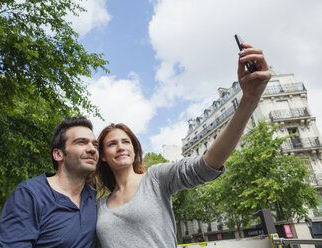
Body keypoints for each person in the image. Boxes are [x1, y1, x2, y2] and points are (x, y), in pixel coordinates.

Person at [94, 43, 272, 248]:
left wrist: (249, 99)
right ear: (103, 156)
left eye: (126, 141)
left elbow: (206, 165)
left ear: (135, 151)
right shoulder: (99, 206)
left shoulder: (156, 178)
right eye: (112, 144)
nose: (121, 147)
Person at [0, 117, 99, 248]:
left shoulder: (93, 193)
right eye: (81, 142)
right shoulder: (29, 195)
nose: (92, 149)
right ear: (58, 154)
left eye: (95, 144)